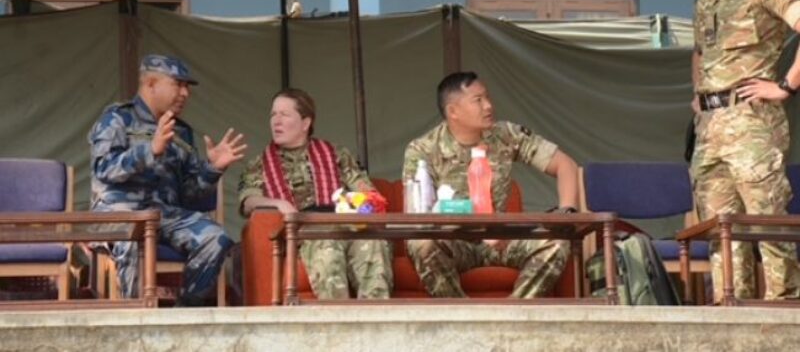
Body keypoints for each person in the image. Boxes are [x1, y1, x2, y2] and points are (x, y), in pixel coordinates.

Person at [685, 0, 800, 301]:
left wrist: (785, 85)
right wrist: (698, 95)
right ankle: (729, 315)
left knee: (767, 225)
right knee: (722, 234)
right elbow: (700, 51)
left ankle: (784, 316)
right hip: (710, 129)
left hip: (750, 124)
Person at [404, 71, 579, 298]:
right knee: (422, 244)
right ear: (453, 111)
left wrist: (567, 212)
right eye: (478, 100)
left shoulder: (505, 135)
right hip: (454, 241)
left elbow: (565, 165)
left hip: (501, 239)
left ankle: (512, 315)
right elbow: (416, 215)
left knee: (557, 243)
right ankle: (464, 319)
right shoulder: (423, 149)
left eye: (487, 98)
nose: (488, 106)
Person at [89, 54, 246, 306]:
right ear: (150, 84)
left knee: (215, 238)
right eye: (178, 84)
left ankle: (182, 314)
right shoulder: (117, 119)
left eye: (187, 87)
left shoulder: (181, 131)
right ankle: (134, 321)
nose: (185, 93)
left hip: (165, 216)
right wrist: (150, 149)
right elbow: (105, 169)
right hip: (120, 215)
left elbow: (192, 197)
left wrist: (212, 169)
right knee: (132, 241)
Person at [238, 88, 393, 299]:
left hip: (346, 222)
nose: (276, 121)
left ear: (305, 123)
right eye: (273, 114)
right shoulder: (260, 164)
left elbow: (368, 193)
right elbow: (248, 201)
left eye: (284, 114)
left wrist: (351, 204)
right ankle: (337, 324)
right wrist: (278, 204)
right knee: (327, 247)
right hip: (307, 231)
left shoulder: (336, 154)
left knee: (373, 244)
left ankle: (377, 322)